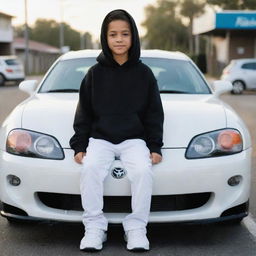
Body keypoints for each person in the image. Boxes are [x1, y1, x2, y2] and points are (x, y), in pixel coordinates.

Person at [69, 9, 164, 252]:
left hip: (134, 139)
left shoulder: (144, 74)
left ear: (133, 37)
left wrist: (155, 146)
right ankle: (94, 228)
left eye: (125, 34)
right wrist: (80, 145)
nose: (119, 39)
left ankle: (136, 228)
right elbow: (84, 113)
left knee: (143, 171)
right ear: (105, 37)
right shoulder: (94, 74)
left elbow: (154, 113)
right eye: (113, 34)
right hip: (101, 138)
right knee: (90, 169)